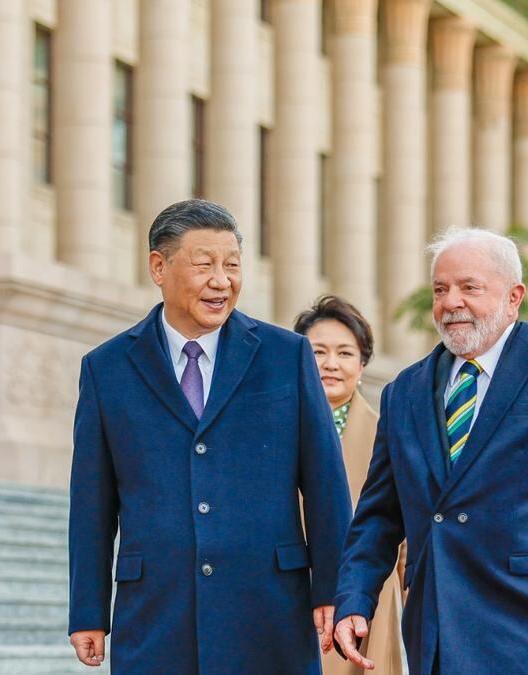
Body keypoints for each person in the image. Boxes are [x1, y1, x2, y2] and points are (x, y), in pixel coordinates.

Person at [332, 227, 528, 675]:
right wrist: (354, 600)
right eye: (440, 290)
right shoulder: (403, 391)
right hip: (437, 635)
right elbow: (379, 515)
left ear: (514, 296)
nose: (451, 302)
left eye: (470, 287)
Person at [68, 199, 352, 673]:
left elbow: (325, 483)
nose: (222, 281)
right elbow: (92, 503)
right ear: (159, 267)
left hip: (270, 611)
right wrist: (88, 611)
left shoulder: (288, 356)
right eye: (204, 265)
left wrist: (333, 587)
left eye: (232, 265)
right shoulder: (107, 368)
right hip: (156, 615)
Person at [294, 296, 405, 675]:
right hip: (293, 598)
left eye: (345, 353)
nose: (330, 364)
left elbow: (406, 536)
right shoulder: (271, 433)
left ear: (362, 364)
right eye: (317, 352)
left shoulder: (388, 434)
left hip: (365, 604)